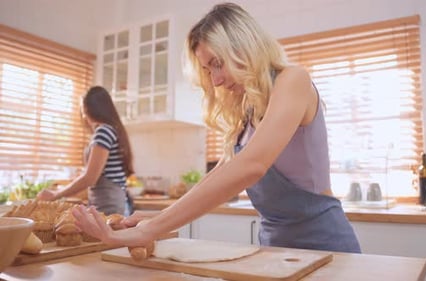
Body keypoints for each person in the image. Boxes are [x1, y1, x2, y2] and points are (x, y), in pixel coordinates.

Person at [73, 2, 361, 253]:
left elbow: (252, 165)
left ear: (244, 46)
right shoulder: (247, 111)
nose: (216, 80)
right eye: (208, 70)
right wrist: (155, 220)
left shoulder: (293, 80)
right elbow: (218, 176)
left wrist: (149, 231)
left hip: (324, 243)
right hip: (274, 247)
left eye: (217, 64)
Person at [38, 86, 135, 216]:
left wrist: (56, 194)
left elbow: (90, 178)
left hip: (109, 208)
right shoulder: (112, 129)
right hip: (112, 205)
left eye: (83, 111)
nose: (83, 116)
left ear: (88, 110)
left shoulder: (103, 131)